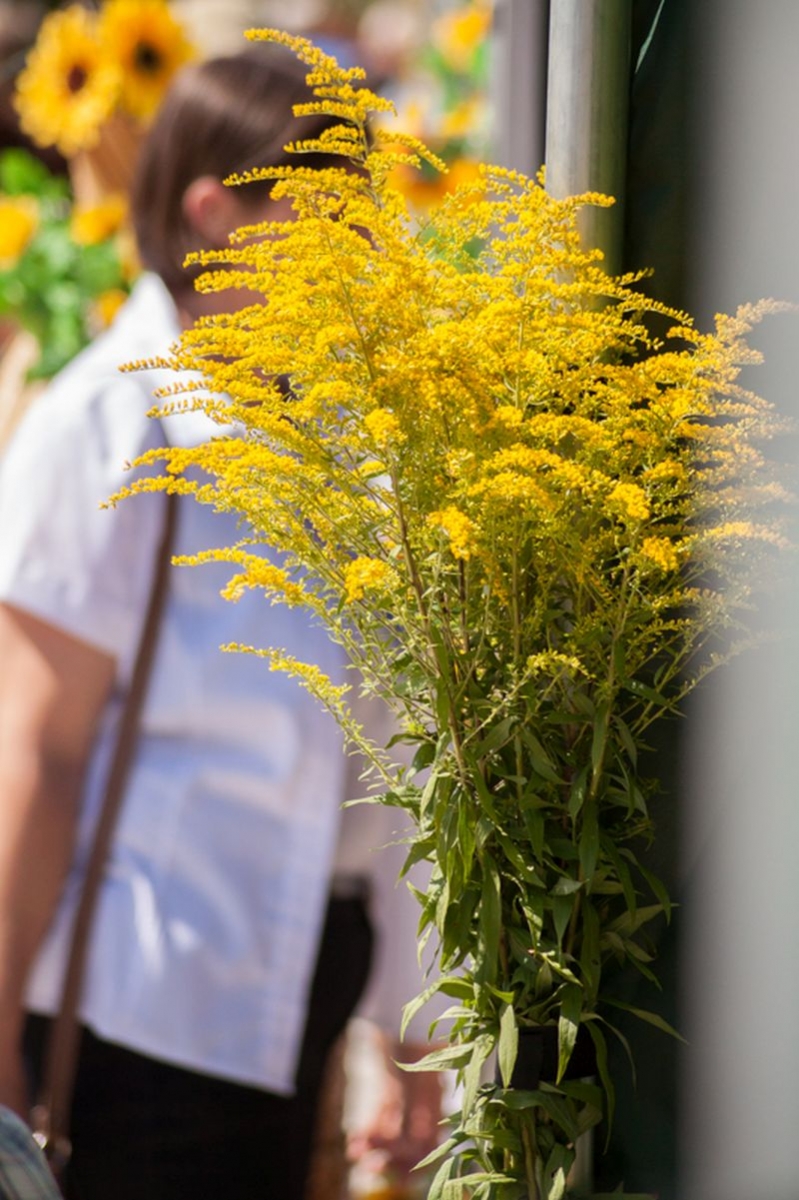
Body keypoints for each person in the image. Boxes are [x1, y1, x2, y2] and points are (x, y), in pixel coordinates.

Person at [0, 49, 439, 1200]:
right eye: (324, 223)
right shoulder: (110, 422)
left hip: (296, 990)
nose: (357, 259)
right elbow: (31, 755)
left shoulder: (334, 434)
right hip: (134, 1012)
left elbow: (380, 760)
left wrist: (409, 1027)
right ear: (213, 212)